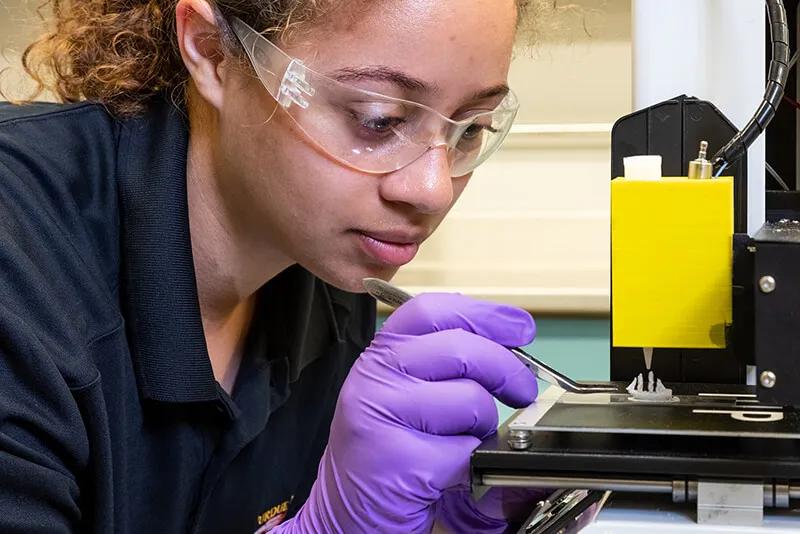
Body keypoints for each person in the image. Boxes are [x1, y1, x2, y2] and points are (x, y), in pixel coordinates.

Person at [0, 0, 553, 532]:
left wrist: (442, 525)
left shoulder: (324, 264)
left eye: (471, 128)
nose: (432, 190)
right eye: (378, 120)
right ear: (213, 50)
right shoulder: (18, 257)